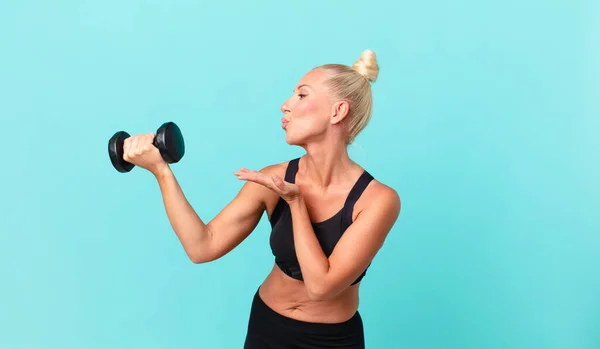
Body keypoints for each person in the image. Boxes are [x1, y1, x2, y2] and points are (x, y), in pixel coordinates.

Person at [122, 49, 401, 348]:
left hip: (332, 340)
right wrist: (161, 171)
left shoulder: (378, 200)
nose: (285, 106)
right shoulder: (272, 179)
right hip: (267, 328)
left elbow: (321, 287)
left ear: (337, 111)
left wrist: (296, 204)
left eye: (301, 96)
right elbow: (202, 246)